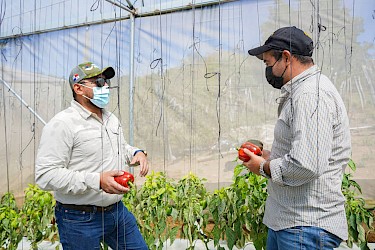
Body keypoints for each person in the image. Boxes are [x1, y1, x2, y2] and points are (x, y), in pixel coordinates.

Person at [243, 26, 351, 250]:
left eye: (268, 62)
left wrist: (263, 167)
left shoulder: (310, 95)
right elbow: (304, 154)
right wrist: (268, 156)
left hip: (305, 226)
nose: (268, 70)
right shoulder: (302, 93)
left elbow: (307, 165)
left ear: (286, 57)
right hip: (291, 223)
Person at [35, 62, 149, 250]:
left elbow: (120, 147)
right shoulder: (63, 124)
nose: (105, 86)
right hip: (79, 219)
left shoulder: (110, 119)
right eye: (98, 82)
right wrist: (97, 180)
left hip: (116, 212)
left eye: (106, 81)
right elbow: (45, 175)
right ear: (78, 88)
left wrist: (136, 153)